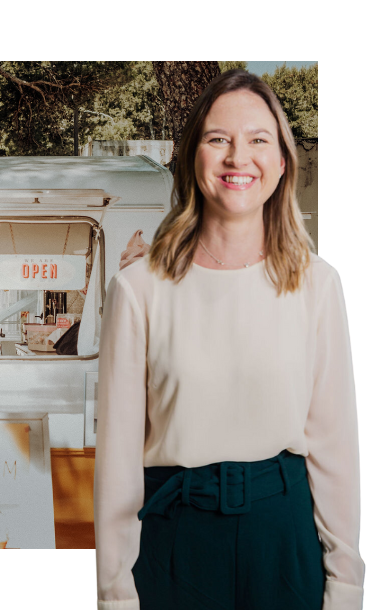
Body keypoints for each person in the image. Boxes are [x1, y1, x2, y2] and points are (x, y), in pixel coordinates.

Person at [94, 70, 363, 610]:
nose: (239, 158)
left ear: (282, 161)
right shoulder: (138, 288)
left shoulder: (317, 284)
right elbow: (118, 462)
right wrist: (115, 593)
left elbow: (335, 450)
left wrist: (347, 585)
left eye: (259, 140)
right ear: (193, 157)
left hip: (284, 542)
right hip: (175, 538)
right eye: (219, 139)